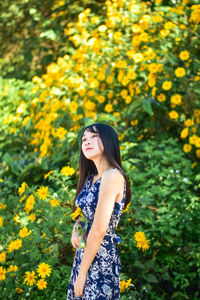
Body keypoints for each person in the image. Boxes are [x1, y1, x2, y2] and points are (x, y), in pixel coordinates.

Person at [66, 123, 131, 299]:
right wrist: (77, 228)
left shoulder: (112, 176)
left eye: (94, 136)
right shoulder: (90, 179)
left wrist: (82, 273)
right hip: (84, 255)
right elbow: (79, 214)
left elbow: (99, 229)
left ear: (108, 141)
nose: (87, 141)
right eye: (84, 139)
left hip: (100, 258)